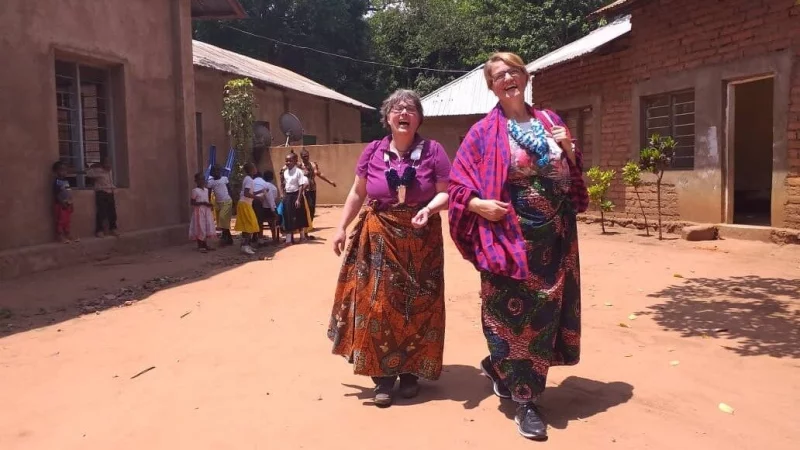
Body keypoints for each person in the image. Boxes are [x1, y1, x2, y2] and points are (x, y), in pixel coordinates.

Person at [447, 52, 588, 440]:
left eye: (513, 71)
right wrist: (477, 204)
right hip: (508, 237)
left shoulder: (551, 121)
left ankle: (504, 370)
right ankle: (525, 401)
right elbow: (458, 185)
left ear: (525, 77)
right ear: (492, 87)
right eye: (498, 75)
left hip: (555, 238)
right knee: (511, 317)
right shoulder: (482, 133)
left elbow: (572, 173)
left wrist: (571, 150)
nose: (507, 78)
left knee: (545, 314)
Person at [327, 89, 451, 407]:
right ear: (387, 118)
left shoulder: (434, 151)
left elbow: (445, 193)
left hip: (422, 237)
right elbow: (357, 192)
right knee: (378, 304)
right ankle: (382, 376)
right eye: (397, 108)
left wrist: (430, 209)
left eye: (410, 108)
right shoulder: (373, 151)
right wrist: (341, 227)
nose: (404, 113)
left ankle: (410, 373)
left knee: (419, 307)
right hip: (380, 232)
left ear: (419, 118)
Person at [299, 148, 336, 233]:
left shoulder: (313, 165)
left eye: (307, 156)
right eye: (304, 156)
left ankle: (310, 224)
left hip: (312, 188)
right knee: (305, 208)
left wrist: (330, 182)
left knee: (312, 207)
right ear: (301, 157)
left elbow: (319, 174)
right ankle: (304, 226)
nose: (306, 158)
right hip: (303, 189)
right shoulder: (299, 166)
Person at [85, 157, 119, 238]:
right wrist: (94, 167)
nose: (108, 165)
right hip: (101, 192)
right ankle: (99, 230)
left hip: (110, 192)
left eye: (110, 163)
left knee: (112, 212)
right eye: (106, 163)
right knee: (101, 212)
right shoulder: (98, 171)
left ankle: (113, 228)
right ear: (102, 164)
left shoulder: (110, 171)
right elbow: (88, 173)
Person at [280, 153, 309, 245]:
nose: (287, 162)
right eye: (286, 161)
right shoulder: (285, 172)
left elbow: (301, 185)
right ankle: (289, 239)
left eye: (290, 161)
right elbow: (284, 185)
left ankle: (302, 237)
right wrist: (283, 195)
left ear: (295, 161)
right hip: (288, 196)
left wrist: (298, 199)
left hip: (296, 195)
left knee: (299, 215)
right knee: (288, 216)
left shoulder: (299, 172)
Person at [234, 163, 261, 255]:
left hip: (246, 204)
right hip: (245, 204)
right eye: (254, 167)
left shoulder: (248, 179)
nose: (255, 168)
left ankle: (246, 245)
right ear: (250, 170)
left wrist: (260, 191)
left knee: (248, 224)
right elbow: (246, 193)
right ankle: (245, 246)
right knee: (250, 224)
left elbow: (249, 192)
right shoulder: (249, 180)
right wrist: (258, 198)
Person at [189, 173, 216, 253]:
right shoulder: (195, 191)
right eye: (200, 179)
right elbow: (192, 203)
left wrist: (209, 204)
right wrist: (203, 203)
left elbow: (207, 200)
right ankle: (200, 245)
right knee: (200, 227)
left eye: (203, 179)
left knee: (206, 227)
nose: (202, 181)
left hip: (206, 211)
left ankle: (205, 244)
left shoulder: (206, 190)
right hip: (199, 212)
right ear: (196, 181)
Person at [208, 165, 233, 246]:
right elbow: (209, 193)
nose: (216, 173)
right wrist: (209, 202)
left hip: (227, 201)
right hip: (218, 203)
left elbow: (229, 189)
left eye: (218, 171)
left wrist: (234, 200)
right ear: (212, 173)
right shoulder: (211, 182)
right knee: (221, 221)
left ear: (221, 172)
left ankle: (224, 236)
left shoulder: (224, 179)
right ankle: (229, 238)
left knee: (222, 217)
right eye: (214, 171)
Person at [52, 161, 76, 243]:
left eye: (65, 170)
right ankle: (60, 236)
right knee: (60, 221)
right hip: (60, 205)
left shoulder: (66, 182)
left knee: (67, 221)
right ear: (56, 171)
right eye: (61, 170)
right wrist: (62, 203)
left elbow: (69, 193)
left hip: (67, 204)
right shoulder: (57, 182)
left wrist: (71, 203)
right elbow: (57, 194)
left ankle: (67, 234)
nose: (64, 172)